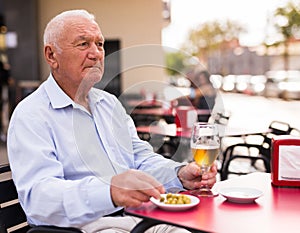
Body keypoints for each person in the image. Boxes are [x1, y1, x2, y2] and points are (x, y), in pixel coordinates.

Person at [7, 10, 217, 233]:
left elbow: (139, 159)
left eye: (99, 44)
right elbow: (40, 198)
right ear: (51, 56)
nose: (96, 53)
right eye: (83, 44)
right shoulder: (31, 115)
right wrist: (109, 192)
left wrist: (179, 174)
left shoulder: (109, 104)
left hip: (138, 217)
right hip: (85, 227)